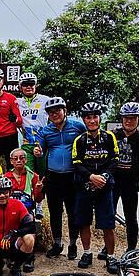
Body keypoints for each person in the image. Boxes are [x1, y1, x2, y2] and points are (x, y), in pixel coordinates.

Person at [97, 102, 139, 260]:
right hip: (113, 182)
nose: (129, 121)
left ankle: (131, 249)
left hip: (131, 183)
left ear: (138, 119)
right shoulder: (112, 135)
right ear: (121, 119)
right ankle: (107, 247)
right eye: (126, 118)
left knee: (131, 217)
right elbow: (103, 158)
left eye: (133, 118)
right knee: (109, 215)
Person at [33, 97, 86, 260]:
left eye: (58, 110)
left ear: (65, 111)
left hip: (72, 176)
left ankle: (72, 244)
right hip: (53, 177)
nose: (55, 114)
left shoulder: (77, 126)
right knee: (55, 211)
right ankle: (57, 244)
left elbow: (88, 145)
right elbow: (40, 148)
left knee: (72, 212)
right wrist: (38, 152)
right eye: (51, 112)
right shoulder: (46, 131)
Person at [72, 101, 120, 273]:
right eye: (88, 118)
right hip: (85, 185)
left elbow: (115, 160)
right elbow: (76, 163)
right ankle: (86, 253)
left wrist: (104, 176)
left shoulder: (109, 137)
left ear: (100, 118)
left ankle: (111, 257)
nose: (92, 121)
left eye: (95, 117)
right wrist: (91, 177)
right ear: (84, 120)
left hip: (105, 186)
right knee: (84, 222)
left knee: (108, 224)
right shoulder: (79, 140)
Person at [4, 147, 44, 273]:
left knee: (30, 220)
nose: (18, 161)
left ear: (26, 160)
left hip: (27, 210)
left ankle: (29, 257)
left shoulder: (33, 176)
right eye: (15, 158)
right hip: (10, 210)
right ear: (11, 161)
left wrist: (39, 189)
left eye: (21, 158)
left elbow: (38, 199)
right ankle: (10, 255)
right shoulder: (6, 177)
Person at [15, 73, 50, 175]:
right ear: (20, 87)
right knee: (28, 174)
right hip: (26, 144)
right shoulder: (17, 102)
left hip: (42, 142)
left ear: (36, 85)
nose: (28, 87)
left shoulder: (45, 100)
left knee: (43, 173)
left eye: (31, 84)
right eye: (25, 84)